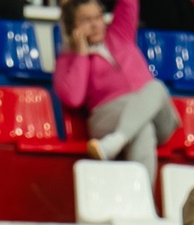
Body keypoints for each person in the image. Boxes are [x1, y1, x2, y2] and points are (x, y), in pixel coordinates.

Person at [55, 0, 177, 179]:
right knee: (143, 130)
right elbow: (74, 98)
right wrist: (81, 53)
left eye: (98, 17)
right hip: (108, 116)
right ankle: (143, 203)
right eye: (86, 20)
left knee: (156, 87)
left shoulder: (120, 33)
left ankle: (116, 141)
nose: (96, 24)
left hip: (157, 117)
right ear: (73, 27)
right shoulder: (67, 60)